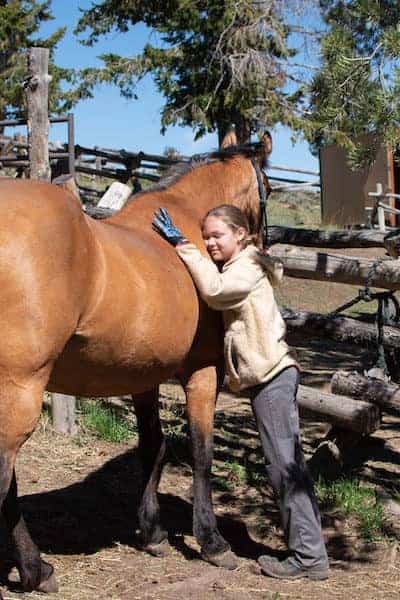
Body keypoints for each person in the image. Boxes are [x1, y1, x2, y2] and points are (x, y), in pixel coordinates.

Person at [153, 204, 329, 581]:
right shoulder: (242, 263)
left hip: (272, 378)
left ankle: (309, 558)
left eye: (217, 236)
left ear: (241, 235)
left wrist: (183, 245)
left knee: (284, 465)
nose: (209, 243)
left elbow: (216, 293)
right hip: (268, 379)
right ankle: (310, 551)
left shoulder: (246, 267)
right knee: (286, 461)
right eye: (205, 237)